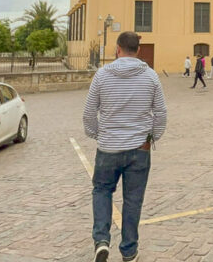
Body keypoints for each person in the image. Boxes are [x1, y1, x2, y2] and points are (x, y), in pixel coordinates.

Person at [84, 31, 167, 262]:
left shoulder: (101, 75)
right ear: (137, 50)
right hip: (139, 148)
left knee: (102, 191)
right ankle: (129, 251)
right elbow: (160, 112)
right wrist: (152, 138)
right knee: (133, 199)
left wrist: (96, 133)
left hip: (108, 147)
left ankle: (101, 240)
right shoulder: (150, 76)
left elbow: (89, 112)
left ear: (118, 49)